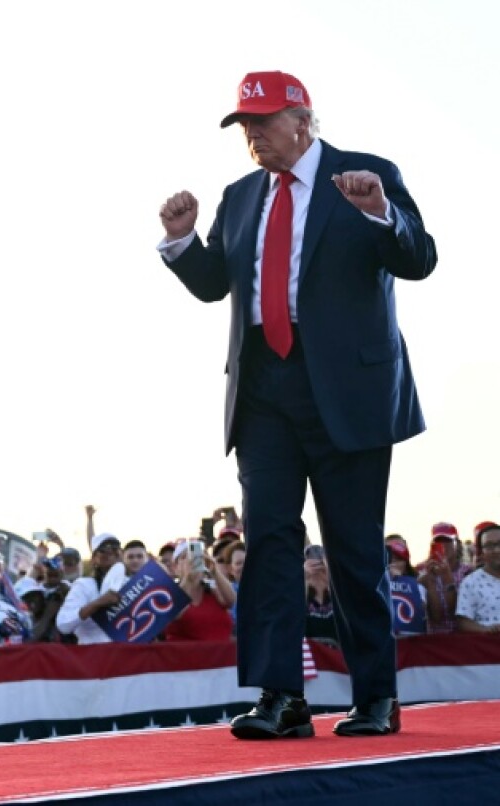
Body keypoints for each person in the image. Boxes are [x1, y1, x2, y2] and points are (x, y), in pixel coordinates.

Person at [158, 70, 436, 739]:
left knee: (353, 551)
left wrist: (379, 213)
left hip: (348, 392)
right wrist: (180, 242)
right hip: (263, 393)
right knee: (270, 546)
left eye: (264, 121)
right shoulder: (242, 194)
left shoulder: (366, 175)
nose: (253, 135)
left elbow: (418, 259)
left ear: (304, 120)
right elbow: (212, 285)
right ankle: (282, 698)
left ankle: (375, 698)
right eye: (245, 125)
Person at [56, 533, 126, 644]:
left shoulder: (130, 583)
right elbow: (63, 625)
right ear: (94, 559)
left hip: (125, 654)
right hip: (92, 654)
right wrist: (97, 603)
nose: (111, 553)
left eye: (115, 549)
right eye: (103, 550)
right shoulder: (84, 585)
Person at [164, 541, 235, 642]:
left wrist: (214, 570)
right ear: (175, 567)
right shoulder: (169, 593)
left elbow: (231, 600)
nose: (191, 560)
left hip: (220, 655)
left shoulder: (213, 590)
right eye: (185, 557)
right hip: (186, 655)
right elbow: (173, 614)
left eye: (197, 556)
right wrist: (188, 580)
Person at [419, 522, 468, 634]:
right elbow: (436, 618)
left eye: (448, 541)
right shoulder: (422, 571)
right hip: (433, 638)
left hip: (462, 637)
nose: (443, 545)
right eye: (438, 541)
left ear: (457, 544)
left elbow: (455, 613)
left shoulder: (468, 572)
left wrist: (448, 580)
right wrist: (428, 583)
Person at [456, 522, 500, 633]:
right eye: (489, 546)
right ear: (481, 552)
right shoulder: (470, 583)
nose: (496, 550)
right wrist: (486, 630)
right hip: (488, 647)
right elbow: (463, 622)